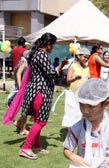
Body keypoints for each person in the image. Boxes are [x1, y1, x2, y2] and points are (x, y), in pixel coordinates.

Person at [19, 32, 68, 160]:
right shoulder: (42, 54)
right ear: (48, 44)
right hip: (40, 91)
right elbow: (51, 74)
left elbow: (47, 72)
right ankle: (26, 147)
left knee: (37, 120)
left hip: (37, 91)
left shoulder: (37, 54)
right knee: (41, 121)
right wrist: (62, 66)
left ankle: (36, 145)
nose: (53, 48)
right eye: (53, 45)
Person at [63, 48, 90, 126]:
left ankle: (79, 130)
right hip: (73, 94)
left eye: (87, 58)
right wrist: (75, 78)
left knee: (81, 113)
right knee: (71, 112)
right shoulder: (73, 66)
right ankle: (71, 131)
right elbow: (68, 80)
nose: (86, 59)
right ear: (78, 56)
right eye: (84, 57)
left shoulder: (87, 68)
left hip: (83, 94)